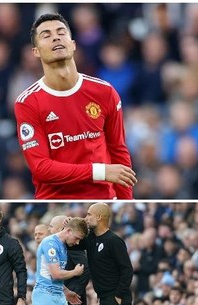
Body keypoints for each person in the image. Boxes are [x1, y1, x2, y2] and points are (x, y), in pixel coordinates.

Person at [14, 13, 136, 199]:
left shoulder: (104, 92)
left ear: (73, 44)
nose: (55, 37)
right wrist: (100, 172)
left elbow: (118, 152)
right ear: (36, 52)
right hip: (55, 200)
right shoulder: (28, 102)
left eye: (61, 32)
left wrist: (126, 200)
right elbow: (41, 168)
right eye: (46, 35)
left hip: (102, 198)